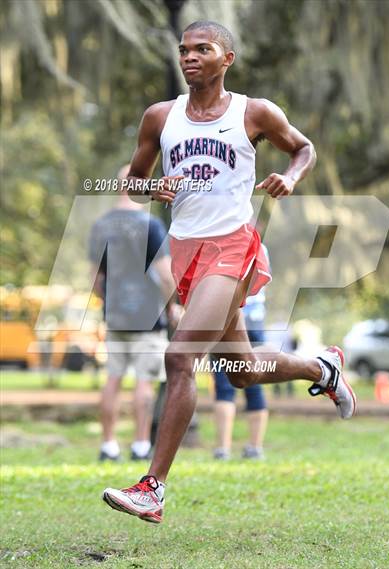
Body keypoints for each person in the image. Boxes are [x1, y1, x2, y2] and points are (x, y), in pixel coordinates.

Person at [103, 20, 356, 524]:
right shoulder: (160, 117)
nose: (189, 57)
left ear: (227, 59)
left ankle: (152, 488)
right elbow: (130, 176)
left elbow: (303, 148)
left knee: (180, 358)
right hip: (186, 252)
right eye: (184, 50)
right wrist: (152, 188)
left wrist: (289, 175)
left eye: (203, 49)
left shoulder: (254, 112)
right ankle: (320, 368)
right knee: (240, 372)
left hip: (233, 246)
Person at [89, 165, 176, 461]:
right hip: (148, 317)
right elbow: (165, 276)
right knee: (144, 381)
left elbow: (95, 279)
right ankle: (140, 445)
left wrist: (109, 302)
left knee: (113, 379)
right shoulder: (150, 225)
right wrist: (173, 306)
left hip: (115, 316)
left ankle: (108, 444)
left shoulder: (101, 225)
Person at [213, 243, 269, 461]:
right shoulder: (261, 248)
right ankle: (255, 448)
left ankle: (222, 449)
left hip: (230, 320)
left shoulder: (222, 245)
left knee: (224, 385)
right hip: (256, 322)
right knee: (255, 384)